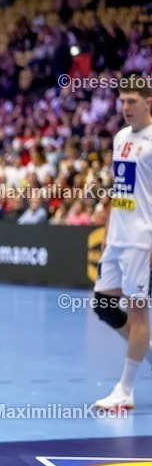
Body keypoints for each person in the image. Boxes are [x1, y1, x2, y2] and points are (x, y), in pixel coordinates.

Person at [92, 76, 152, 411]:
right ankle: (144, 353)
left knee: (138, 312)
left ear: (148, 103)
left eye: (132, 101)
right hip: (117, 239)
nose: (125, 107)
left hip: (142, 241)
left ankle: (125, 391)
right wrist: (107, 237)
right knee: (103, 305)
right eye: (122, 101)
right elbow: (119, 191)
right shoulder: (119, 138)